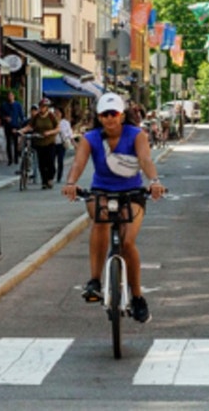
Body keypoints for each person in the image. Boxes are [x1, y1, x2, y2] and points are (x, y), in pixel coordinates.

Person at [63, 93, 167, 323]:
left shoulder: (136, 135)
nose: (109, 119)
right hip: (101, 191)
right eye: (104, 115)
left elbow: (145, 160)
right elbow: (79, 163)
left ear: (122, 115)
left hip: (132, 194)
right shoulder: (90, 138)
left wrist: (154, 181)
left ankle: (138, 297)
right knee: (100, 221)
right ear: (98, 117)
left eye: (114, 114)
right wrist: (71, 183)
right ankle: (94, 281)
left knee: (128, 242)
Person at [26, 98, 61, 189]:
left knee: (50, 163)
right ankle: (44, 182)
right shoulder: (36, 117)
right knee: (42, 164)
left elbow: (57, 128)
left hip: (50, 142)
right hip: (39, 142)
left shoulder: (51, 116)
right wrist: (21, 131)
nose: (42, 108)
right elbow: (30, 126)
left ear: (47, 108)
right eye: (41, 107)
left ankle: (50, 178)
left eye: (44, 107)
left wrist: (49, 132)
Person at [0, 91, 26, 167]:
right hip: (7, 126)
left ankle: (16, 159)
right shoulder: (4, 105)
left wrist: (21, 126)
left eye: (11, 95)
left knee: (16, 142)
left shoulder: (18, 105)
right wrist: (5, 118)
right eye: (9, 95)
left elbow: (22, 116)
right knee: (8, 143)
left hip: (15, 125)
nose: (10, 97)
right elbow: (0, 116)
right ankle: (10, 159)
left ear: (13, 96)